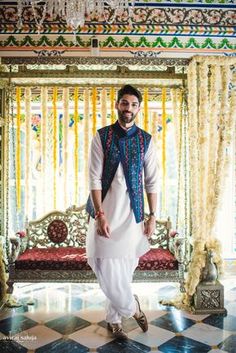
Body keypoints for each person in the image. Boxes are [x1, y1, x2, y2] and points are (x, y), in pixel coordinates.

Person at [86, 84, 158, 339]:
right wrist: (99, 215)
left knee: (123, 268)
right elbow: (94, 178)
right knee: (103, 264)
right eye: (124, 103)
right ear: (117, 105)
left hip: (132, 215)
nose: (128, 108)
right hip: (105, 212)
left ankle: (114, 319)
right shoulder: (102, 136)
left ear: (138, 108)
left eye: (133, 104)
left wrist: (152, 216)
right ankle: (132, 307)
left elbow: (152, 181)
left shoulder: (145, 140)